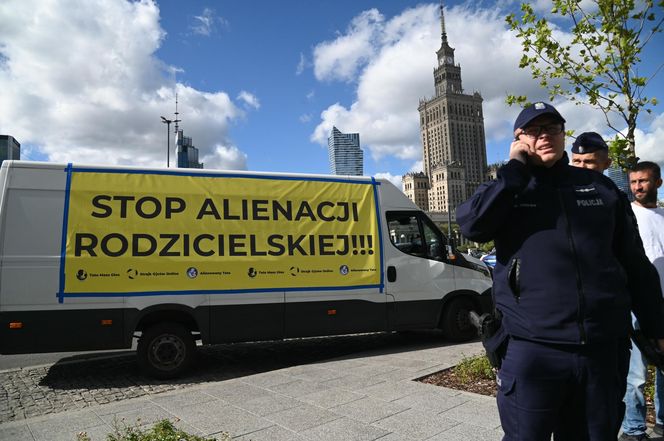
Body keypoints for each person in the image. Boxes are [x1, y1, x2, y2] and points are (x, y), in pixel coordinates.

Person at [456, 101, 664, 440]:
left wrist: (656, 326)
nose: (545, 136)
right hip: (533, 350)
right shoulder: (507, 189)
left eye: (552, 128)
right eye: (534, 130)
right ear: (518, 139)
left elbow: (635, 265)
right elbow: (472, 225)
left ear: (563, 134)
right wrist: (513, 170)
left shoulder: (599, 188)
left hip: (601, 349)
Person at [620, 161, 664, 441]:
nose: (637, 187)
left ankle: (662, 422)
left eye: (643, 181)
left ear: (658, 182)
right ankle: (634, 429)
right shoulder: (626, 216)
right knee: (636, 373)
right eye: (633, 182)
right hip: (637, 304)